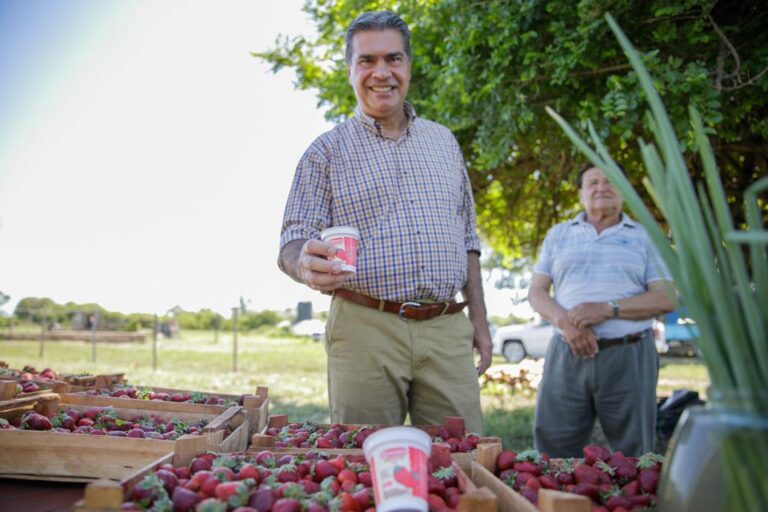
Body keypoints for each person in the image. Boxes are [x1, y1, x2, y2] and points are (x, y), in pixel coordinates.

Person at [277, 11, 491, 434]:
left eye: (393, 59)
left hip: (447, 327)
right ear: (350, 70)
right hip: (364, 327)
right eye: (367, 61)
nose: (382, 73)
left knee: (469, 459)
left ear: (408, 66)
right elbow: (291, 239)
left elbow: (467, 238)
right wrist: (303, 262)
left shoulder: (443, 141)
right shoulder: (326, 151)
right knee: (363, 464)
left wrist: (480, 323)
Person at [527, 164, 674, 457]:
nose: (601, 187)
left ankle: (629, 503)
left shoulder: (645, 236)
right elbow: (536, 292)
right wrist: (567, 324)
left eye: (610, 182)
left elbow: (666, 298)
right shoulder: (558, 234)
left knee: (634, 453)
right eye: (593, 182)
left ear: (623, 193)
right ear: (581, 194)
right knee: (553, 449)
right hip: (566, 352)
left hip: (629, 355)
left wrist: (608, 309)